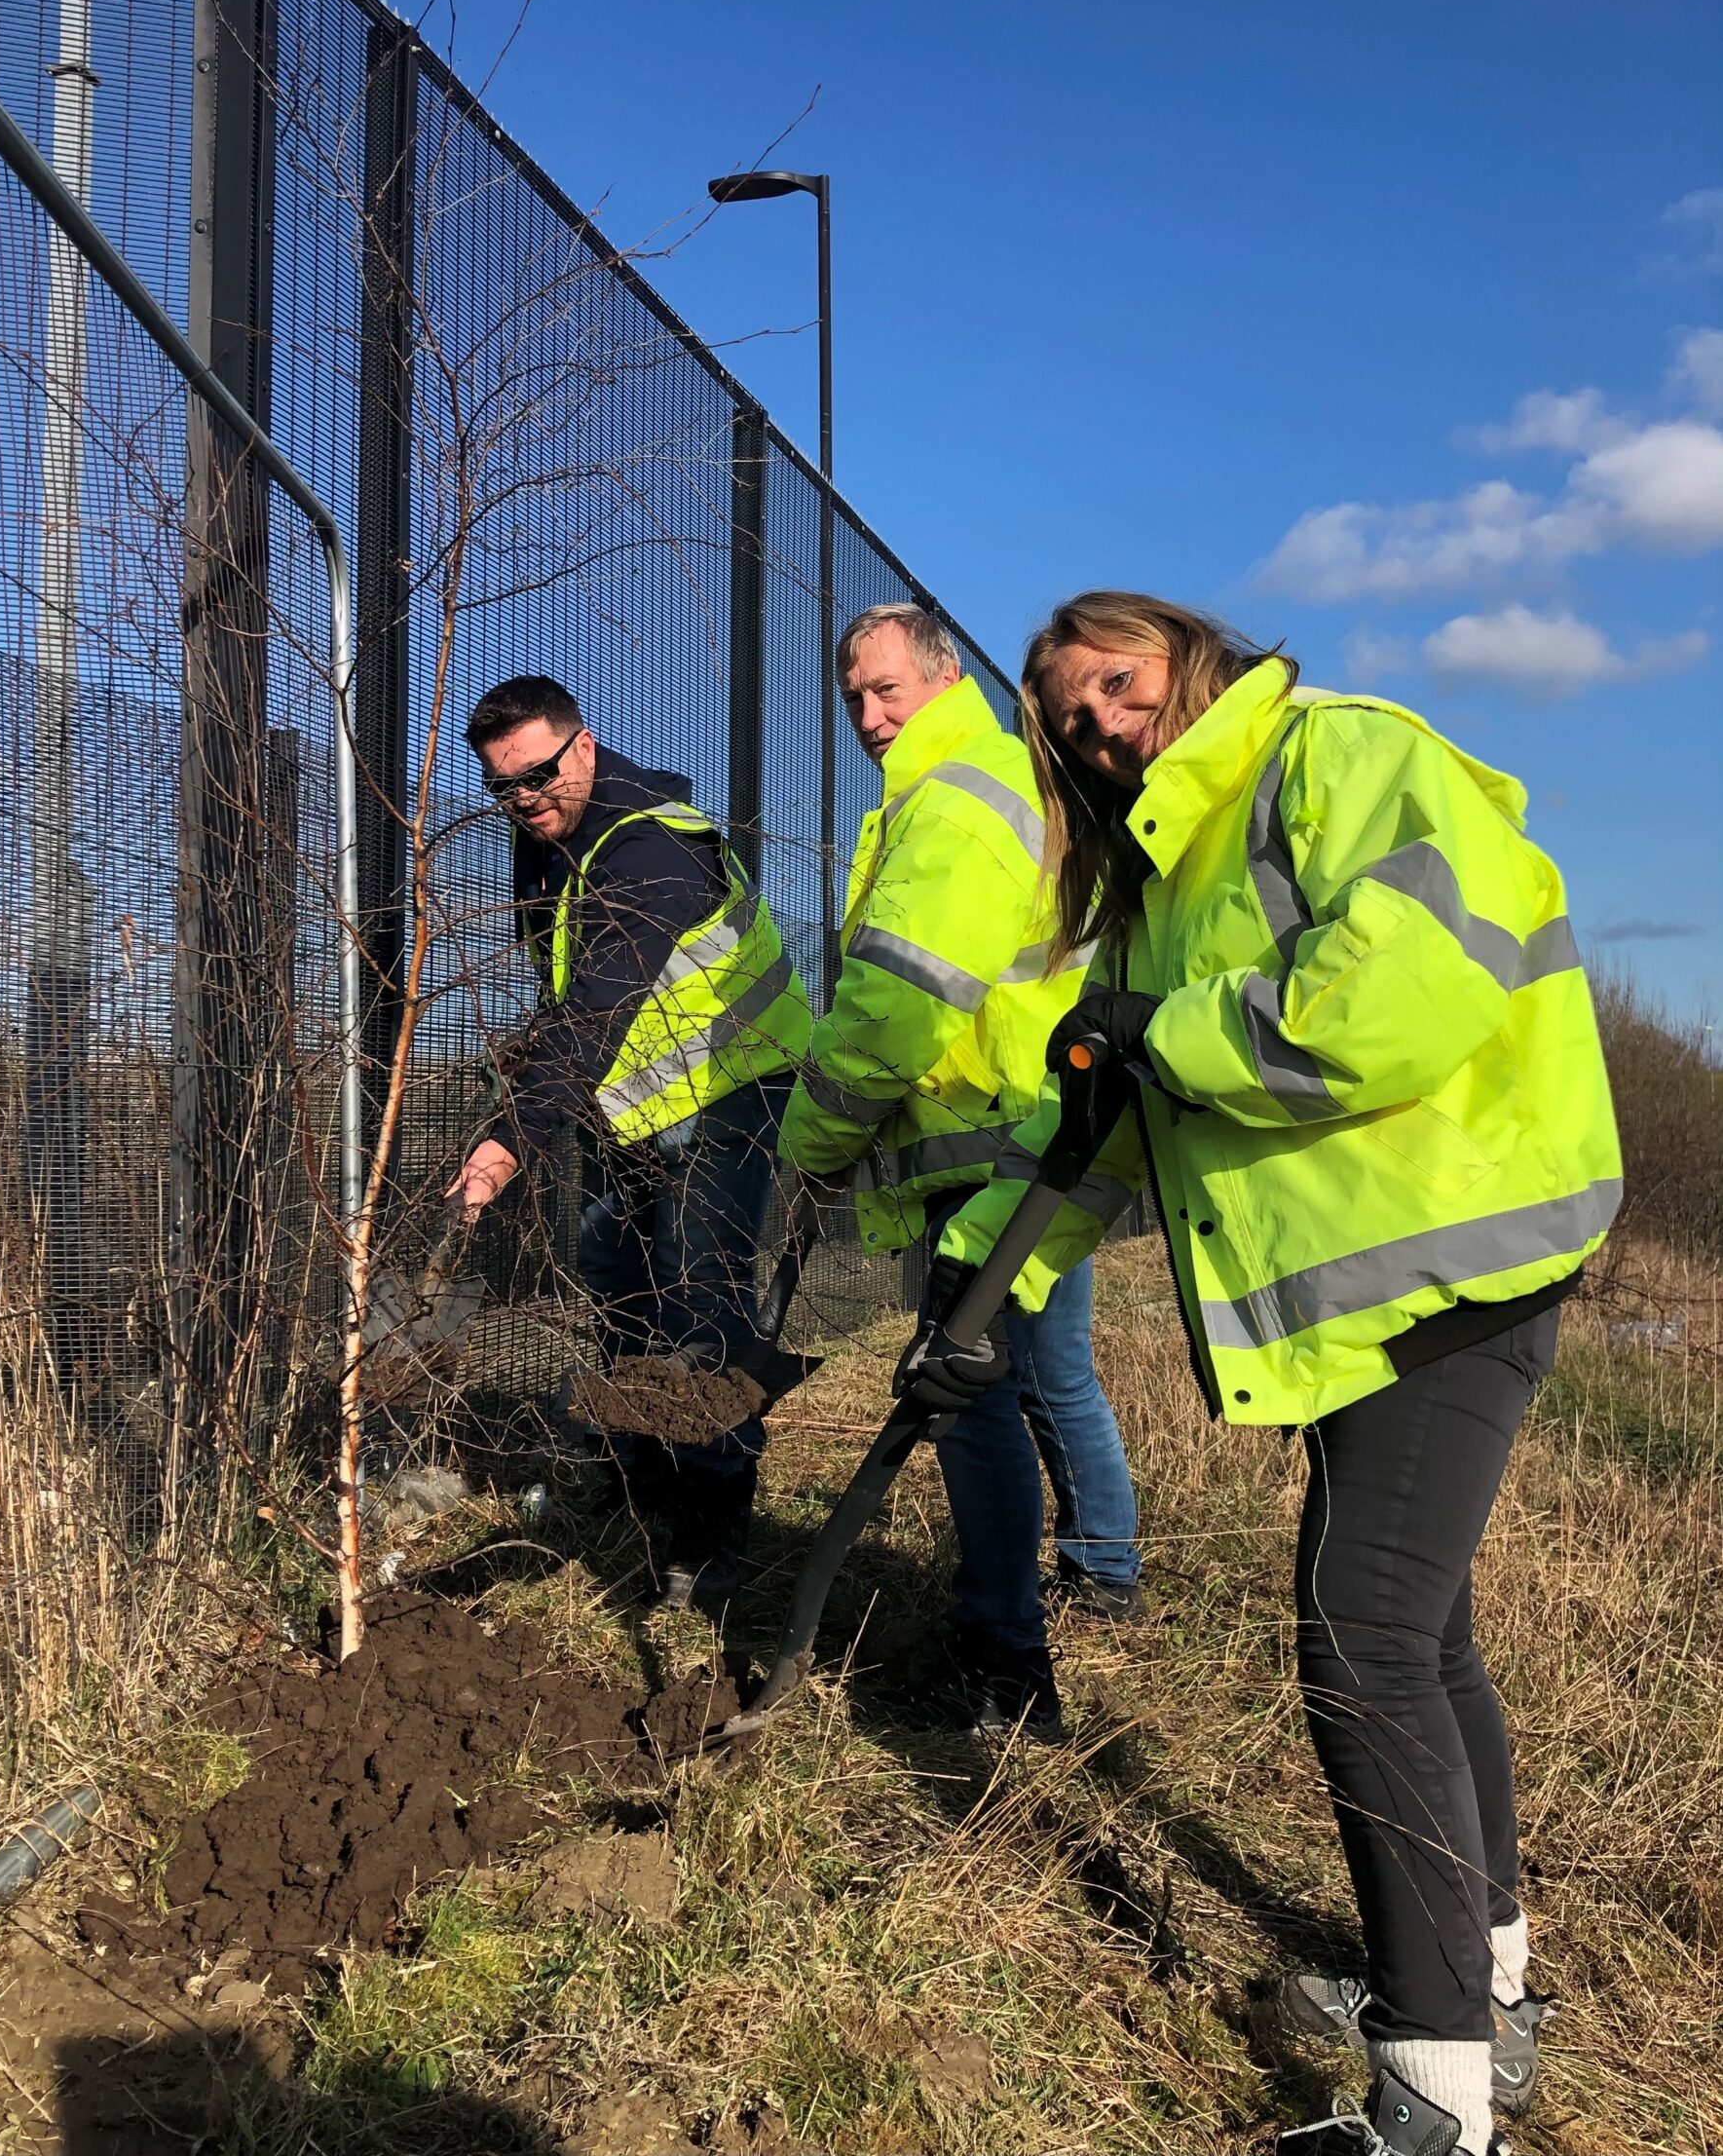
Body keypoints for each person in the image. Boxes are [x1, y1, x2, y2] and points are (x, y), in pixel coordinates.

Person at [921, 592, 1619, 2156]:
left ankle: (1433, 2094)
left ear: (1189, 653)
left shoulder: (1334, 758)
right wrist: (974, 1278)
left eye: (1116, 679)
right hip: (1385, 1300)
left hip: (1454, 1264)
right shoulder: (1166, 885)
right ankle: (1486, 1996)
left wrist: (1158, 1031)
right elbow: (1104, 1142)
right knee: (1416, 1637)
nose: (1099, 721)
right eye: (1070, 716)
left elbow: (1395, 994)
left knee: (1361, 1639)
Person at [776, 603, 1142, 1739]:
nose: (870, 717)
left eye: (887, 690)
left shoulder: (953, 801)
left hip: (989, 1147)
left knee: (971, 1395)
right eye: (853, 700)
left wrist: (812, 1147)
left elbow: (897, 1008)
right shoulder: (984, 782)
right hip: (1030, 1131)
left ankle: (1007, 1658)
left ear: (943, 680)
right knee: (1045, 1370)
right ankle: (1106, 1571)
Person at [449, 675, 812, 1608]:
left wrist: (510, 1139)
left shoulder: (652, 846)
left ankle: (713, 1530)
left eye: (536, 776)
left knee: (698, 1300)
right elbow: (562, 997)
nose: (525, 801)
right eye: (502, 788)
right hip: (636, 1105)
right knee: (614, 1273)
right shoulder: (543, 846)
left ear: (583, 745)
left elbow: (596, 1012)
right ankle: (637, 1472)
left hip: (731, 1088)